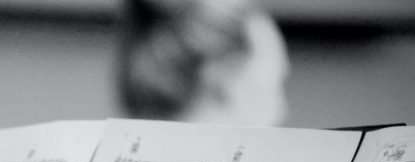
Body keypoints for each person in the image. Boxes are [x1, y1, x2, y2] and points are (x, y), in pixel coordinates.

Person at [117, 0, 289, 126]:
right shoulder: (146, 36)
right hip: (171, 141)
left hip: (234, 140)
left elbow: (267, 110)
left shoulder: (246, 26)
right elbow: (142, 107)